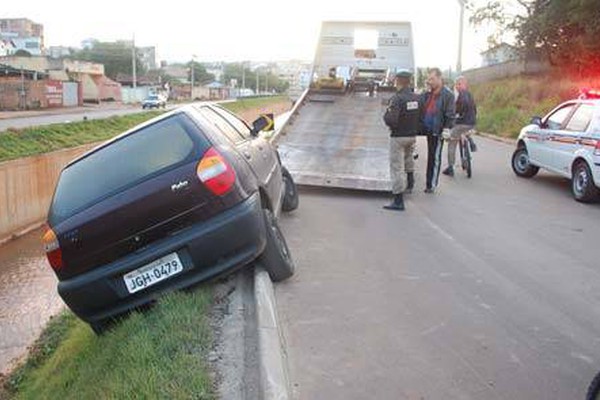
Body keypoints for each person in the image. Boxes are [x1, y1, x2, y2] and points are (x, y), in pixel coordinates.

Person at [382, 70, 421, 211]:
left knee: (396, 167)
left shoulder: (397, 99)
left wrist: (386, 114)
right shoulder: (417, 98)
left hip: (398, 137)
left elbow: (391, 120)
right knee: (408, 158)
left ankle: (398, 200)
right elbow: (420, 117)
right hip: (412, 135)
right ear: (409, 81)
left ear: (397, 81)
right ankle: (410, 183)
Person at [420, 68, 455, 193]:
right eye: (428, 79)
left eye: (432, 79)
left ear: (440, 78)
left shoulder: (447, 95)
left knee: (434, 157)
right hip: (427, 129)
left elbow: (450, 114)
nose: (430, 81)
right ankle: (428, 182)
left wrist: (447, 128)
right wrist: (426, 91)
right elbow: (421, 104)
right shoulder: (429, 93)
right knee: (429, 155)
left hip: (437, 130)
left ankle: (431, 184)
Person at [443, 76, 477, 177]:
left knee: (451, 142)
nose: (456, 86)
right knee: (463, 132)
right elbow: (474, 109)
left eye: (458, 84)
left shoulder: (460, 95)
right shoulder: (470, 94)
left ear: (460, 84)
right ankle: (469, 140)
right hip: (471, 123)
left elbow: (458, 108)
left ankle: (450, 168)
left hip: (461, 123)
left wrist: (458, 113)